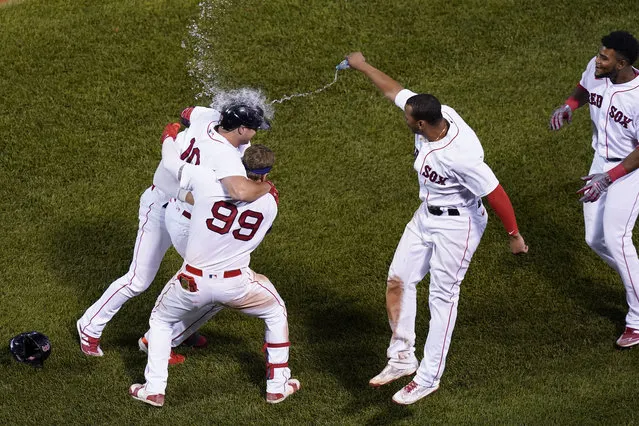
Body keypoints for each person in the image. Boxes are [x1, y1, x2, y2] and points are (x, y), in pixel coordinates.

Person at [343, 52, 528, 405]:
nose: (405, 119)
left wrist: (514, 236)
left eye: (409, 120)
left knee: (442, 298)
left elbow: (496, 193)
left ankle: (428, 377)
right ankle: (402, 358)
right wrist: (363, 65)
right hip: (426, 215)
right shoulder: (434, 117)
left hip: (458, 226)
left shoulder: (460, 154)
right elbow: (394, 92)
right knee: (399, 278)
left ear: (422, 125)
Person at [76, 101, 273, 361]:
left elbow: (187, 113)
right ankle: (90, 326)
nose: (256, 133)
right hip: (163, 204)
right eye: (252, 129)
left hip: (188, 215)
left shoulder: (208, 117)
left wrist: (175, 136)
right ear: (239, 129)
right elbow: (236, 193)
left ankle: (171, 333)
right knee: (140, 279)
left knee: (207, 279)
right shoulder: (226, 160)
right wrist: (267, 189)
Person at [129, 137, 298, 407]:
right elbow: (255, 196)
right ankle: (277, 387)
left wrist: (169, 140)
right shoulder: (270, 203)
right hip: (237, 286)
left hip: (190, 282)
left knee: (160, 322)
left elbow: (171, 168)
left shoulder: (207, 184)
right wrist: (265, 184)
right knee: (275, 311)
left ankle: (154, 389)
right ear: (266, 174)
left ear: (240, 165)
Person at [549, 31, 639, 348]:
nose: (597, 60)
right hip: (600, 162)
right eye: (599, 54)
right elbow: (585, 87)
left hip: (629, 170)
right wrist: (569, 105)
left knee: (616, 237)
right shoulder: (598, 68)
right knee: (595, 239)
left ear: (623, 63)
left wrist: (609, 177)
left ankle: (637, 319)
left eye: (605, 57)